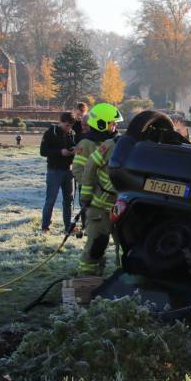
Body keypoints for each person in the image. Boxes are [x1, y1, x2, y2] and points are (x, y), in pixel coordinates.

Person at [77, 103, 124, 276]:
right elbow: (80, 170)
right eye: (112, 123)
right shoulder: (87, 143)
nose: (115, 126)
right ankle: (86, 280)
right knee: (97, 243)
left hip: (117, 203)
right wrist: (92, 189)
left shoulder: (117, 142)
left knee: (125, 244)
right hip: (97, 202)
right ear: (102, 123)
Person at [39, 111, 76, 233]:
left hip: (68, 170)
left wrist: (73, 151)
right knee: (51, 200)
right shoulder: (51, 132)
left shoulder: (72, 133)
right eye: (66, 125)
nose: (68, 128)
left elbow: (72, 146)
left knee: (68, 200)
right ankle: (45, 227)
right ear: (60, 122)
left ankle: (67, 227)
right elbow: (43, 151)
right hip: (54, 170)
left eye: (70, 125)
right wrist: (60, 152)